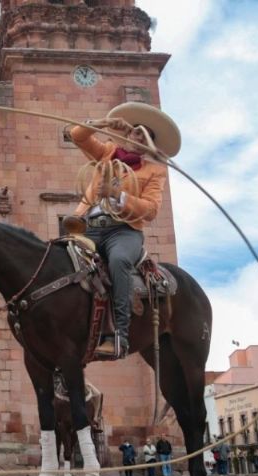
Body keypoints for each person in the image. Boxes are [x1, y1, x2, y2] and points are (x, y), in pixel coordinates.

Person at [66, 102, 181, 358]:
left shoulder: (154, 171)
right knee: (58, 257)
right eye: (134, 131)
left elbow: (151, 209)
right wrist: (103, 123)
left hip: (124, 231)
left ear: (150, 144)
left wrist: (117, 195)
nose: (136, 136)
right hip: (89, 226)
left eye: (144, 135)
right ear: (127, 134)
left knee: (118, 261)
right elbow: (77, 135)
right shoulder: (107, 152)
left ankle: (120, 333)